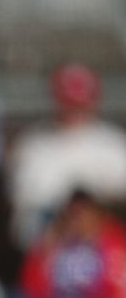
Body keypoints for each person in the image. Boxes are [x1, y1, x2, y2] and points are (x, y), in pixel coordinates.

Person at [7, 63, 126, 248]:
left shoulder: (115, 146)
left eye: (80, 104)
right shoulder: (33, 147)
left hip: (109, 254)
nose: (74, 112)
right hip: (50, 252)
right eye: (68, 103)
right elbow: (24, 213)